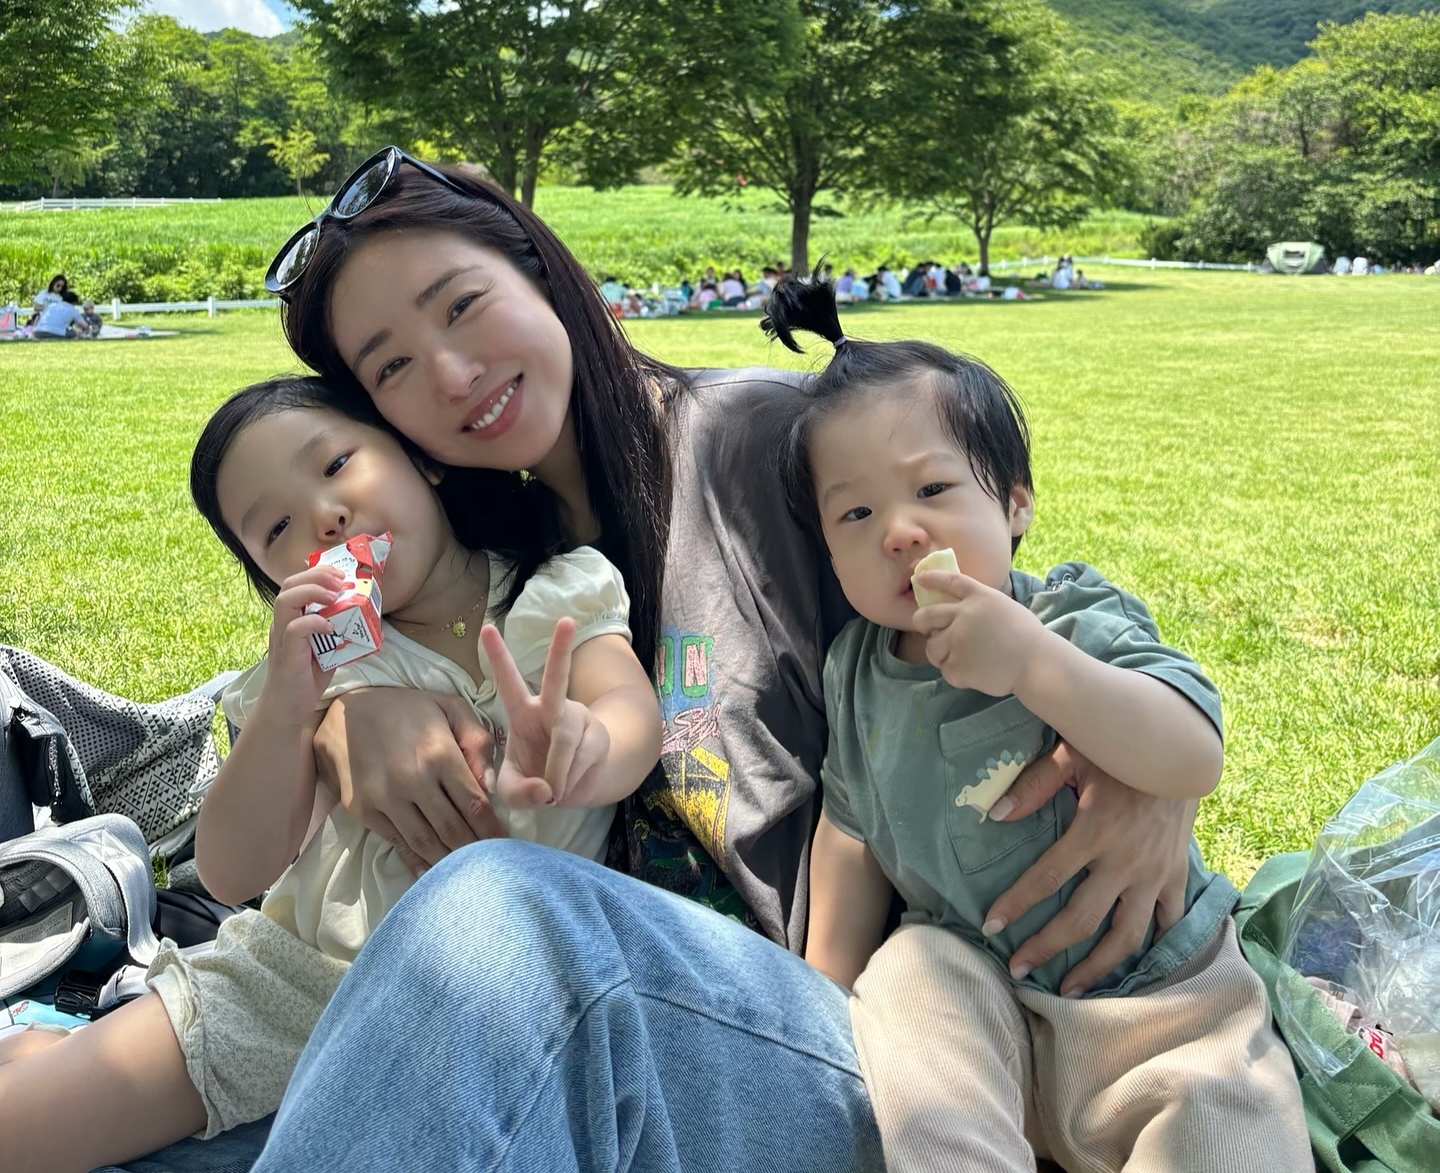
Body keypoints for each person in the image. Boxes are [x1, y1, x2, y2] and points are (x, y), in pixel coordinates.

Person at [109, 148, 1200, 1173]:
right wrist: (343, 717)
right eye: (392, 366)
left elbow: (999, 593)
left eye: (463, 304)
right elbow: (342, 689)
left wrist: (1156, 787)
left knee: (496, 910)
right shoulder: (499, 550)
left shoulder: (758, 440)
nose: (452, 372)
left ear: (541, 270)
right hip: (611, 1048)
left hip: (873, 1049)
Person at [0, 374, 661, 1173]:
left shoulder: (557, 592)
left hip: (486, 999)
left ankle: (52, 1045)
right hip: (295, 984)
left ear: (423, 460)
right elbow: (232, 869)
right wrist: (287, 709)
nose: (325, 516)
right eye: (278, 527)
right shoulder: (322, 675)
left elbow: (630, 714)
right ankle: (56, 1052)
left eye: (338, 463)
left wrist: (583, 748)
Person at [762, 274, 1310, 1173]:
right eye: (856, 513)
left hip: (1159, 994)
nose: (899, 531)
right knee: (909, 977)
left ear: (1015, 503)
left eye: (932, 487)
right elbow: (850, 839)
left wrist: (1033, 664)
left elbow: (1191, 753)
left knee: (1226, 1113)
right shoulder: (854, 670)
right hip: (981, 1009)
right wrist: (821, 993)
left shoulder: (1065, 615)